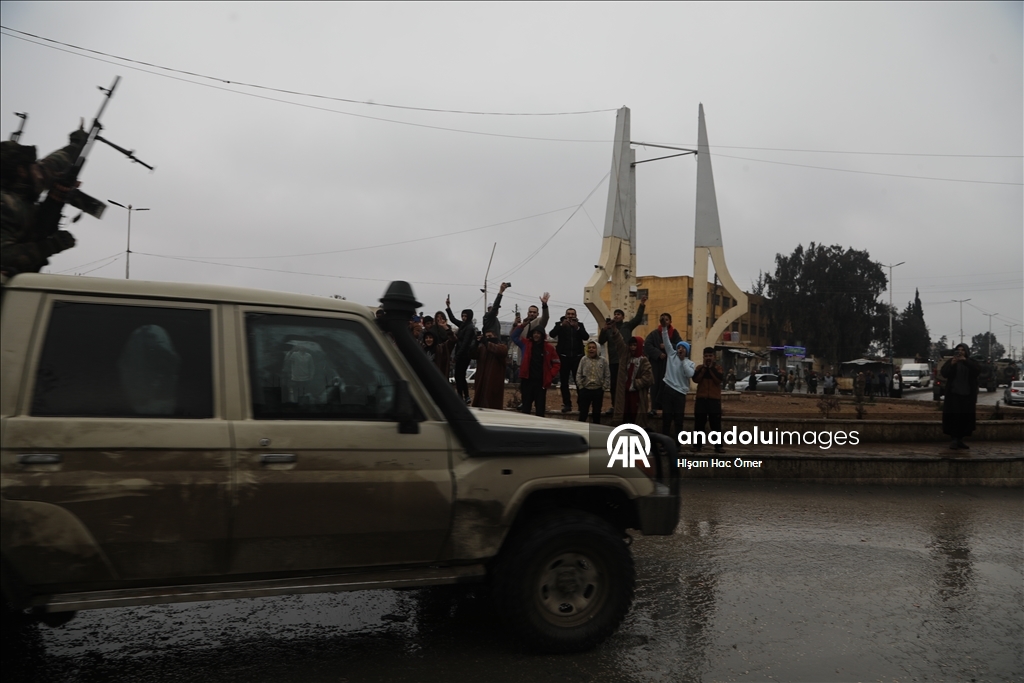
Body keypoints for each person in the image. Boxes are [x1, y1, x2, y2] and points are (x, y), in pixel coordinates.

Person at [1, 125, 88, 276]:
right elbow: (5, 255)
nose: (39, 170)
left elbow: (53, 164)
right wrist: (49, 246)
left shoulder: (25, 187)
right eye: (34, 166)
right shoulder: (5, 206)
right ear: (22, 171)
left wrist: (76, 144)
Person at [597, 296, 648, 414]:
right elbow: (601, 341)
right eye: (615, 314)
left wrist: (642, 304)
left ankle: (625, 405)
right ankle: (615, 406)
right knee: (614, 385)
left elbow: (638, 319)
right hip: (614, 362)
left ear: (623, 317)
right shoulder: (609, 329)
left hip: (626, 361)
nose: (616, 316)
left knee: (626, 384)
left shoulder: (627, 326)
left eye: (619, 314)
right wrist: (604, 330)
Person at [471, 283, 509, 410]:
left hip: (493, 348)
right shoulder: (488, 317)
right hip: (487, 347)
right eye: (493, 309)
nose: (496, 310)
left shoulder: (496, 322)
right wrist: (500, 292)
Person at [606, 330, 654, 429]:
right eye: (631, 345)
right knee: (624, 418)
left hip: (637, 395)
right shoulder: (625, 358)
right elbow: (620, 344)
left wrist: (636, 383)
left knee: (635, 419)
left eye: (635, 345)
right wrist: (614, 331)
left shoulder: (643, 360)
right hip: (624, 394)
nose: (632, 347)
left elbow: (649, 378)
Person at [511, 323, 559, 417]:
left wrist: (550, 375)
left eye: (538, 333)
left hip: (541, 382)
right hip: (527, 380)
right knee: (526, 408)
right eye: (534, 333)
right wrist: (523, 324)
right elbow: (514, 336)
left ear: (542, 335)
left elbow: (557, 363)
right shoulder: (525, 344)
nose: (536, 335)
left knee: (540, 409)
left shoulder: (549, 348)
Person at [548, 307, 590, 413]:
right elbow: (552, 334)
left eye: (572, 314)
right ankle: (567, 404)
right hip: (563, 357)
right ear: (565, 315)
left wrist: (577, 328)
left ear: (576, 315)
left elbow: (586, 337)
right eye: (569, 314)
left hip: (577, 357)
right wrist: (561, 325)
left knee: (579, 382)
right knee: (564, 382)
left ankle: (581, 404)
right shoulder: (559, 324)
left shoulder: (580, 325)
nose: (570, 316)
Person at [941, 343, 981, 449]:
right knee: (954, 418)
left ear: (966, 351)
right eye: (958, 350)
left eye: (963, 350)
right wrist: (952, 364)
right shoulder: (951, 361)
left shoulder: (971, 362)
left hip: (967, 396)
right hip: (953, 396)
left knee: (965, 419)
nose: (960, 352)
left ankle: (960, 439)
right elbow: (944, 373)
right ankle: (954, 439)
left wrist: (965, 361)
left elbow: (977, 371)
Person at [660, 327, 695, 439]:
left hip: (680, 394)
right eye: (679, 347)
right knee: (666, 418)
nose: (680, 349)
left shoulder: (690, 363)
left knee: (678, 419)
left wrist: (683, 360)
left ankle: (678, 443)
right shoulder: (672, 355)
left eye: (683, 348)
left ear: (687, 351)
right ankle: (664, 442)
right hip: (668, 390)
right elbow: (666, 341)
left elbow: (690, 374)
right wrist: (664, 328)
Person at [644, 313, 682, 417]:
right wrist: (658, 353)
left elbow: (680, 345)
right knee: (655, 385)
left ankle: (667, 408)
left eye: (667, 319)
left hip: (669, 364)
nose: (665, 321)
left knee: (667, 386)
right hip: (656, 364)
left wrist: (668, 346)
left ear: (670, 321)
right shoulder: (654, 334)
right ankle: (654, 408)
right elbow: (647, 345)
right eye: (663, 319)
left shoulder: (674, 333)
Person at [692, 347, 725, 454]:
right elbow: (695, 379)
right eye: (706, 356)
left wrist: (710, 369)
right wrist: (704, 369)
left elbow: (718, 380)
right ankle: (697, 445)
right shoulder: (699, 368)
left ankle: (718, 446)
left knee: (715, 424)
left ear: (714, 357)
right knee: (699, 424)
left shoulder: (718, 368)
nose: (708, 358)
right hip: (701, 400)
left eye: (710, 356)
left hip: (714, 400)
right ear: (703, 357)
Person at [446, 296, 477, 404]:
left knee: (460, 376)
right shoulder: (464, 325)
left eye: (465, 316)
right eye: (462, 316)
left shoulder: (469, 327)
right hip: (461, 354)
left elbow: (465, 344)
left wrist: (457, 356)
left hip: (464, 355)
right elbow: (453, 319)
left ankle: (464, 396)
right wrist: (448, 307)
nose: (463, 318)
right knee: (459, 376)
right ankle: (463, 396)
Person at [575, 340, 610, 424]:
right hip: (585, 389)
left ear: (597, 349)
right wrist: (581, 387)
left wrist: (604, 387)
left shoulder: (603, 361)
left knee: (596, 413)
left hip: (598, 390)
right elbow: (578, 373)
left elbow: (607, 375)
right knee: (583, 413)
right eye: (589, 347)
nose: (591, 349)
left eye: (593, 348)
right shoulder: (584, 359)